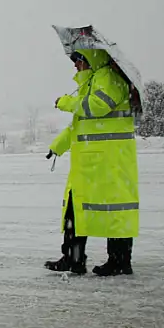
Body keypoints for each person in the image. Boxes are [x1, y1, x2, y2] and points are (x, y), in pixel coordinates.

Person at [44, 47, 139, 276]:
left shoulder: (109, 78)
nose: (75, 65)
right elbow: (80, 124)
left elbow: (96, 107)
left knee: (115, 211)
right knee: (75, 210)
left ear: (90, 59)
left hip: (109, 161)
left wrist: (66, 102)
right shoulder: (92, 81)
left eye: (78, 60)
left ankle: (119, 261)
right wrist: (57, 146)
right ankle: (73, 259)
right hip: (92, 162)